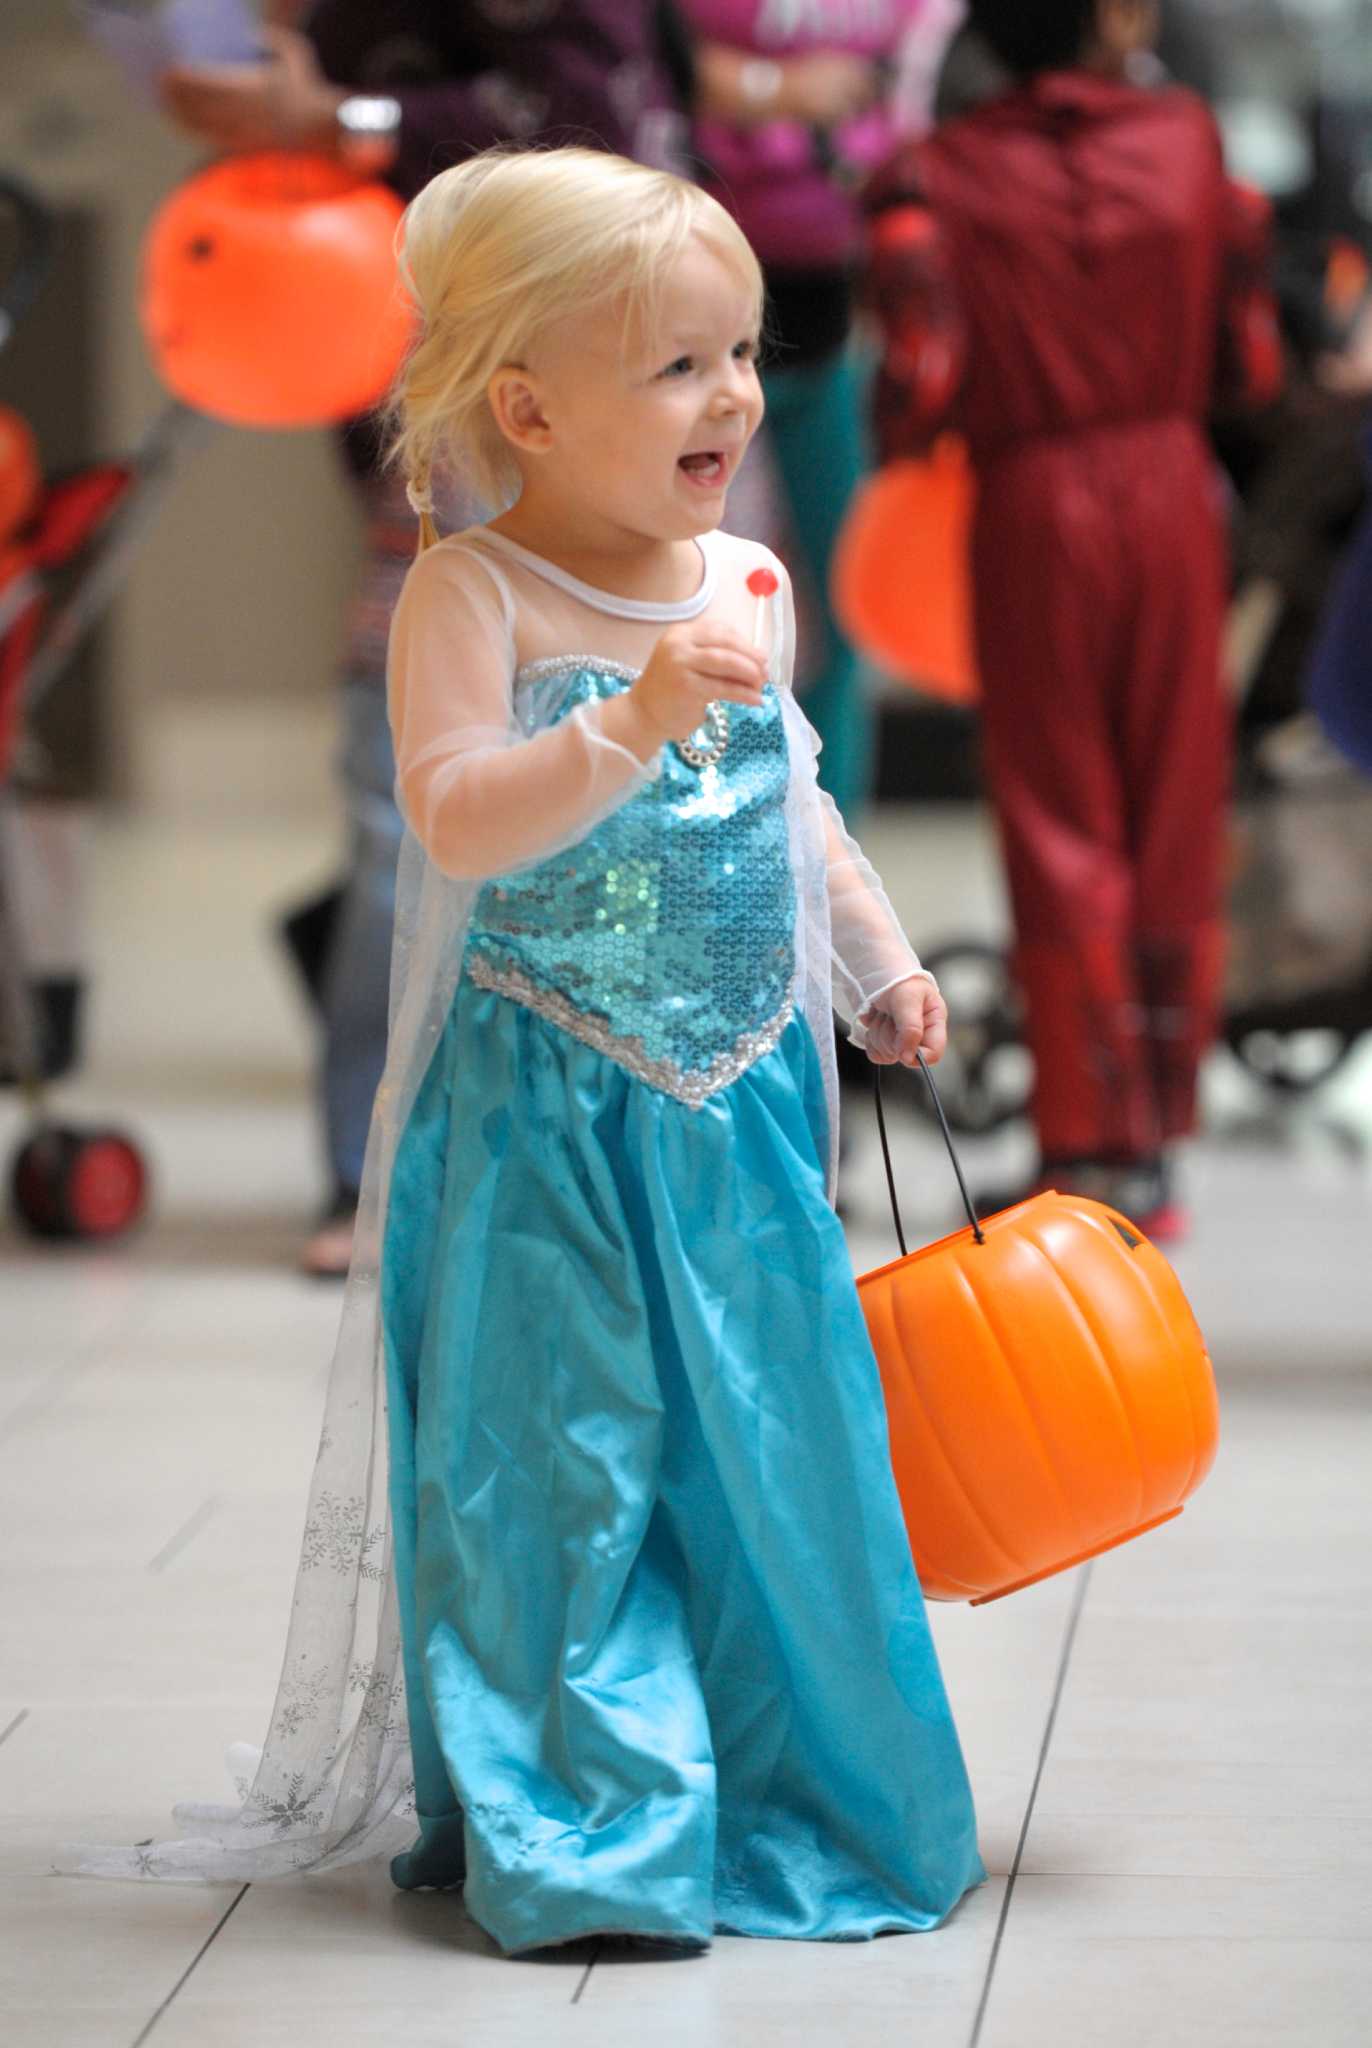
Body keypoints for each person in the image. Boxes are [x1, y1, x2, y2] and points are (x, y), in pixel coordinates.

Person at [64, 147, 983, 1953]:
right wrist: (635, 717)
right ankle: (590, 1823)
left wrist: (871, 968)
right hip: (541, 1122)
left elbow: (794, 810)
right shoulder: (472, 598)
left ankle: (794, 1791)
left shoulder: (750, 577)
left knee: (773, 1460)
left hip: (740, 1119)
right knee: (560, 1472)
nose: (732, 394)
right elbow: (460, 825)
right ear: (529, 408)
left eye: (742, 351)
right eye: (678, 365)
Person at [159, 0, 694, 1276]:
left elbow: (592, 135)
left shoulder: (588, 46)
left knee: (623, 834)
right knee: (390, 827)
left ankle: (610, 1168)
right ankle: (371, 1168)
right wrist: (269, 109)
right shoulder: (360, 22)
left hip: (591, 493)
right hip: (420, 492)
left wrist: (354, 123)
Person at [862, 0, 1282, 1236]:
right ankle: (1155, 1140)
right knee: (1172, 807)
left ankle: (1085, 1142)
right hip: (1170, 488)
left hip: (1030, 497)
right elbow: (1248, 363)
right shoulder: (1191, 140)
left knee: (1059, 817)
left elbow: (915, 390)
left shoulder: (933, 174)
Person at [683, 0, 941, 826]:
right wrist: (774, 89)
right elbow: (643, 59)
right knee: (713, 618)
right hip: (694, 334)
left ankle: (832, 863)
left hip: (837, 328)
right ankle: (726, 867)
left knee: (841, 609)